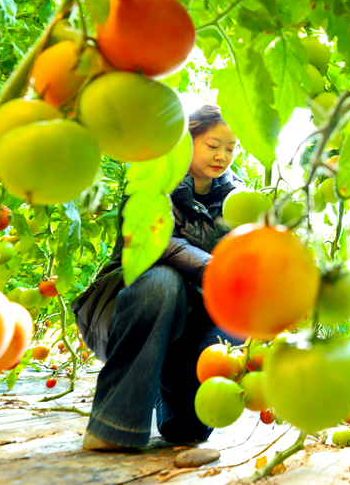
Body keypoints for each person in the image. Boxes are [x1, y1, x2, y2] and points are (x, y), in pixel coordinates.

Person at [72, 104, 241, 451]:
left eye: (230, 148)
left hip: (194, 319)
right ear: (187, 139)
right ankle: (114, 424)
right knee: (162, 283)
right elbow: (158, 241)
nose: (221, 156)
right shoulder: (154, 179)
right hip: (136, 303)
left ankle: (170, 391)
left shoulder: (238, 199)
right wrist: (216, 269)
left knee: (187, 431)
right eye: (213, 145)